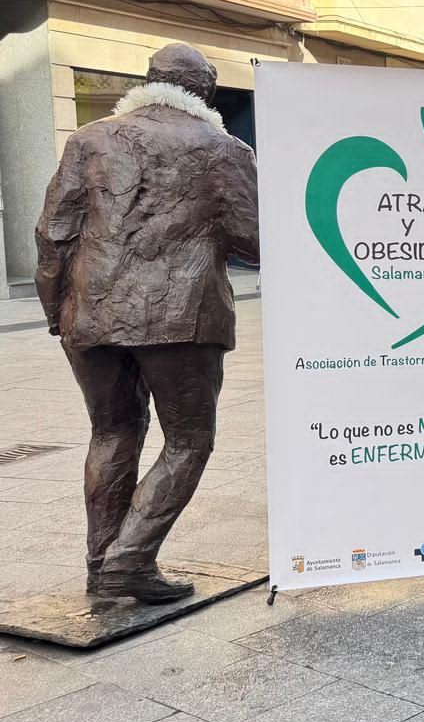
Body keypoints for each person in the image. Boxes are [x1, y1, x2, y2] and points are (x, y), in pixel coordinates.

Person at [34, 43, 258, 603]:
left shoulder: (88, 139)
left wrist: (58, 311)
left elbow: (52, 233)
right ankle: (128, 560)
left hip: (89, 312)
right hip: (181, 317)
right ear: (205, 90)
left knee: (111, 431)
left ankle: (101, 562)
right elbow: (255, 239)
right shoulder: (224, 149)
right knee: (188, 439)